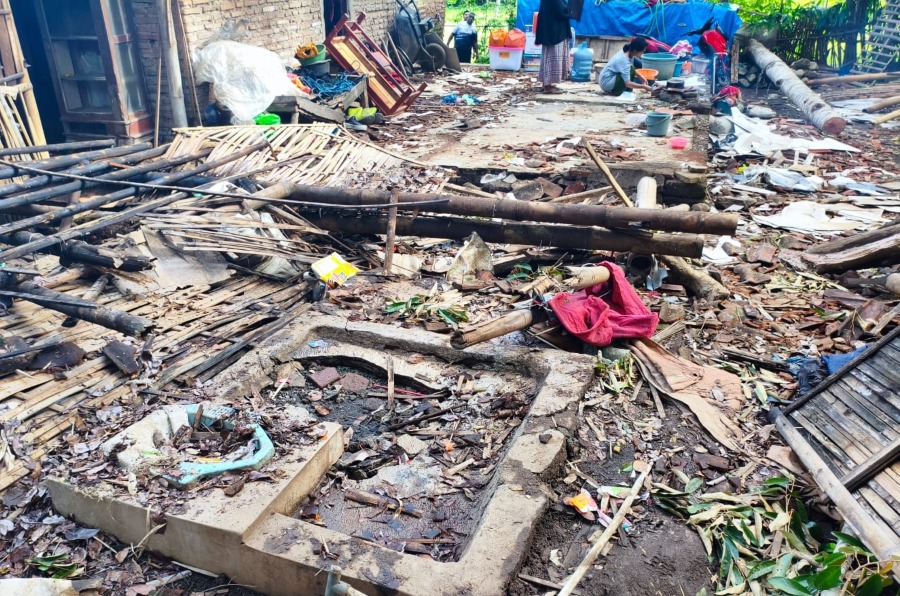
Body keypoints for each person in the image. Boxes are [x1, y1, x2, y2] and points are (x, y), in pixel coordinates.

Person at [535, 0, 572, 94]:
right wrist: (570, 10)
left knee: (548, 57)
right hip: (555, 31)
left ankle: (547, 84)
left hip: (550, 29)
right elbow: (561, 11)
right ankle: (548, 87)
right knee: (553, 56)